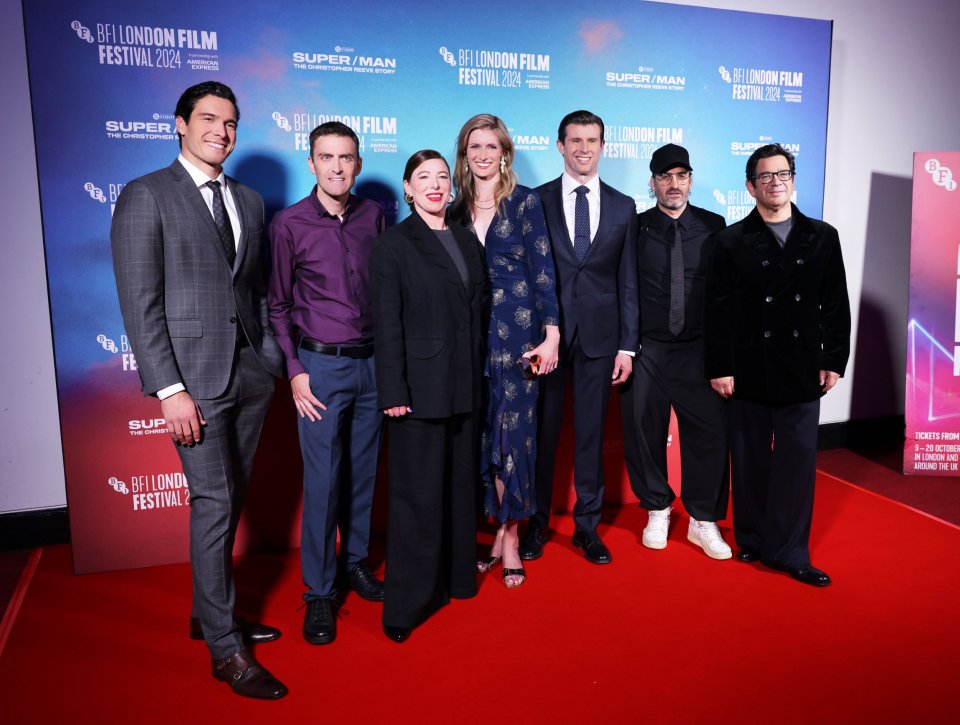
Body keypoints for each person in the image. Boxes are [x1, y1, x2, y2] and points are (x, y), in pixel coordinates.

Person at [111, 81, 286, 699]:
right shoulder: (145, 195)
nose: (222, 130)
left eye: (231, 122)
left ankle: (208, 613)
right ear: (180, 125)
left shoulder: (249, 199)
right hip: (191, 383)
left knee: (230, 497)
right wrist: (168, 389)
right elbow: (140, 303)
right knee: (213, 502)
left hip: (249, 374)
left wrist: (269, 360)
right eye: (208, 119)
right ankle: (223, 648)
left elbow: (255, 290)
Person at [703, 143, 850, 586]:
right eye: (765, 176)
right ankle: (750, 535)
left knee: (798, 460)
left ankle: (790, 552)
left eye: (782, 174)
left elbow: (834, 305)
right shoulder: (729, 241)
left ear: (793, 179)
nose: (775, 182)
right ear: (750, 186)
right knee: (748, 458)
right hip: (748, 365)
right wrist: (719, 366)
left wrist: (833, 360)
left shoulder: (822, 236)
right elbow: (717, 309)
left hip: (802, 366)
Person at [267, 122, 385, 646]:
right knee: (324, 481)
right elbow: (277, 305)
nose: (337, 166)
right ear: (310, 162)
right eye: (326, 157)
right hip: (320, 369)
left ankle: (355, 563)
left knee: (363, 474)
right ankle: (319, 592)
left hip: (373, 366)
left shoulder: (375, 216)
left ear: (357, 164)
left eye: (346, 157)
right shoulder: (288, 224)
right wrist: (293, 369)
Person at [372, 150, 486, 641]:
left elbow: (475, 312)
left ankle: (456, 580)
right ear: (408, 188)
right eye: (425, 178)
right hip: (417, 391)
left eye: (442, 176)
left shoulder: (464, 237)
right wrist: (393, 389)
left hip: (464, 386)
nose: (436, 185)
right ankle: (407, 605)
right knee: (417, 498)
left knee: (461, 491)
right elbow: (387, 324)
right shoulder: (392, 245)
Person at [520, 110, 639, 565]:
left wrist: (627, 345)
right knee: (542, 436)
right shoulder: (535, 201)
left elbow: (627, 282)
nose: (583, 148)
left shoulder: (624, 206)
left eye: (592, 140)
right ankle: (536, 525)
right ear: (560, 145)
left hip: (600, 340)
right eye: (575, 140)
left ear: (603, 146)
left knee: (591, 435)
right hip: (545, 339)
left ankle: (586, 528)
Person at [450, 114, 560, 588]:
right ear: (464, 153)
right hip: (469, 337)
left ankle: (511, 536)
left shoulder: (524, 203)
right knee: (481, 436)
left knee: (513, 436)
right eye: (474, 146)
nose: (482, 154)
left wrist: (551, 334)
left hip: (519, 336)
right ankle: (496, 532)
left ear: (505, 153)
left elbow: (543, 272)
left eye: (491, 146)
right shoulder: (453, 209)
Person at [621, 143, 732, 559]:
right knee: (642, 432)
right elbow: (622, 287)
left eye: (681, 176)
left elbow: (725, 295)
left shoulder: (715, 225)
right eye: (665, 177)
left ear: (690, 180)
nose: (673, 184)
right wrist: (626, 348)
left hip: (698, 349)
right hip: (647, 348)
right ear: (652, 183)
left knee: (708, 434)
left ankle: (703, 519)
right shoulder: (634, 226)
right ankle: (657, 506)